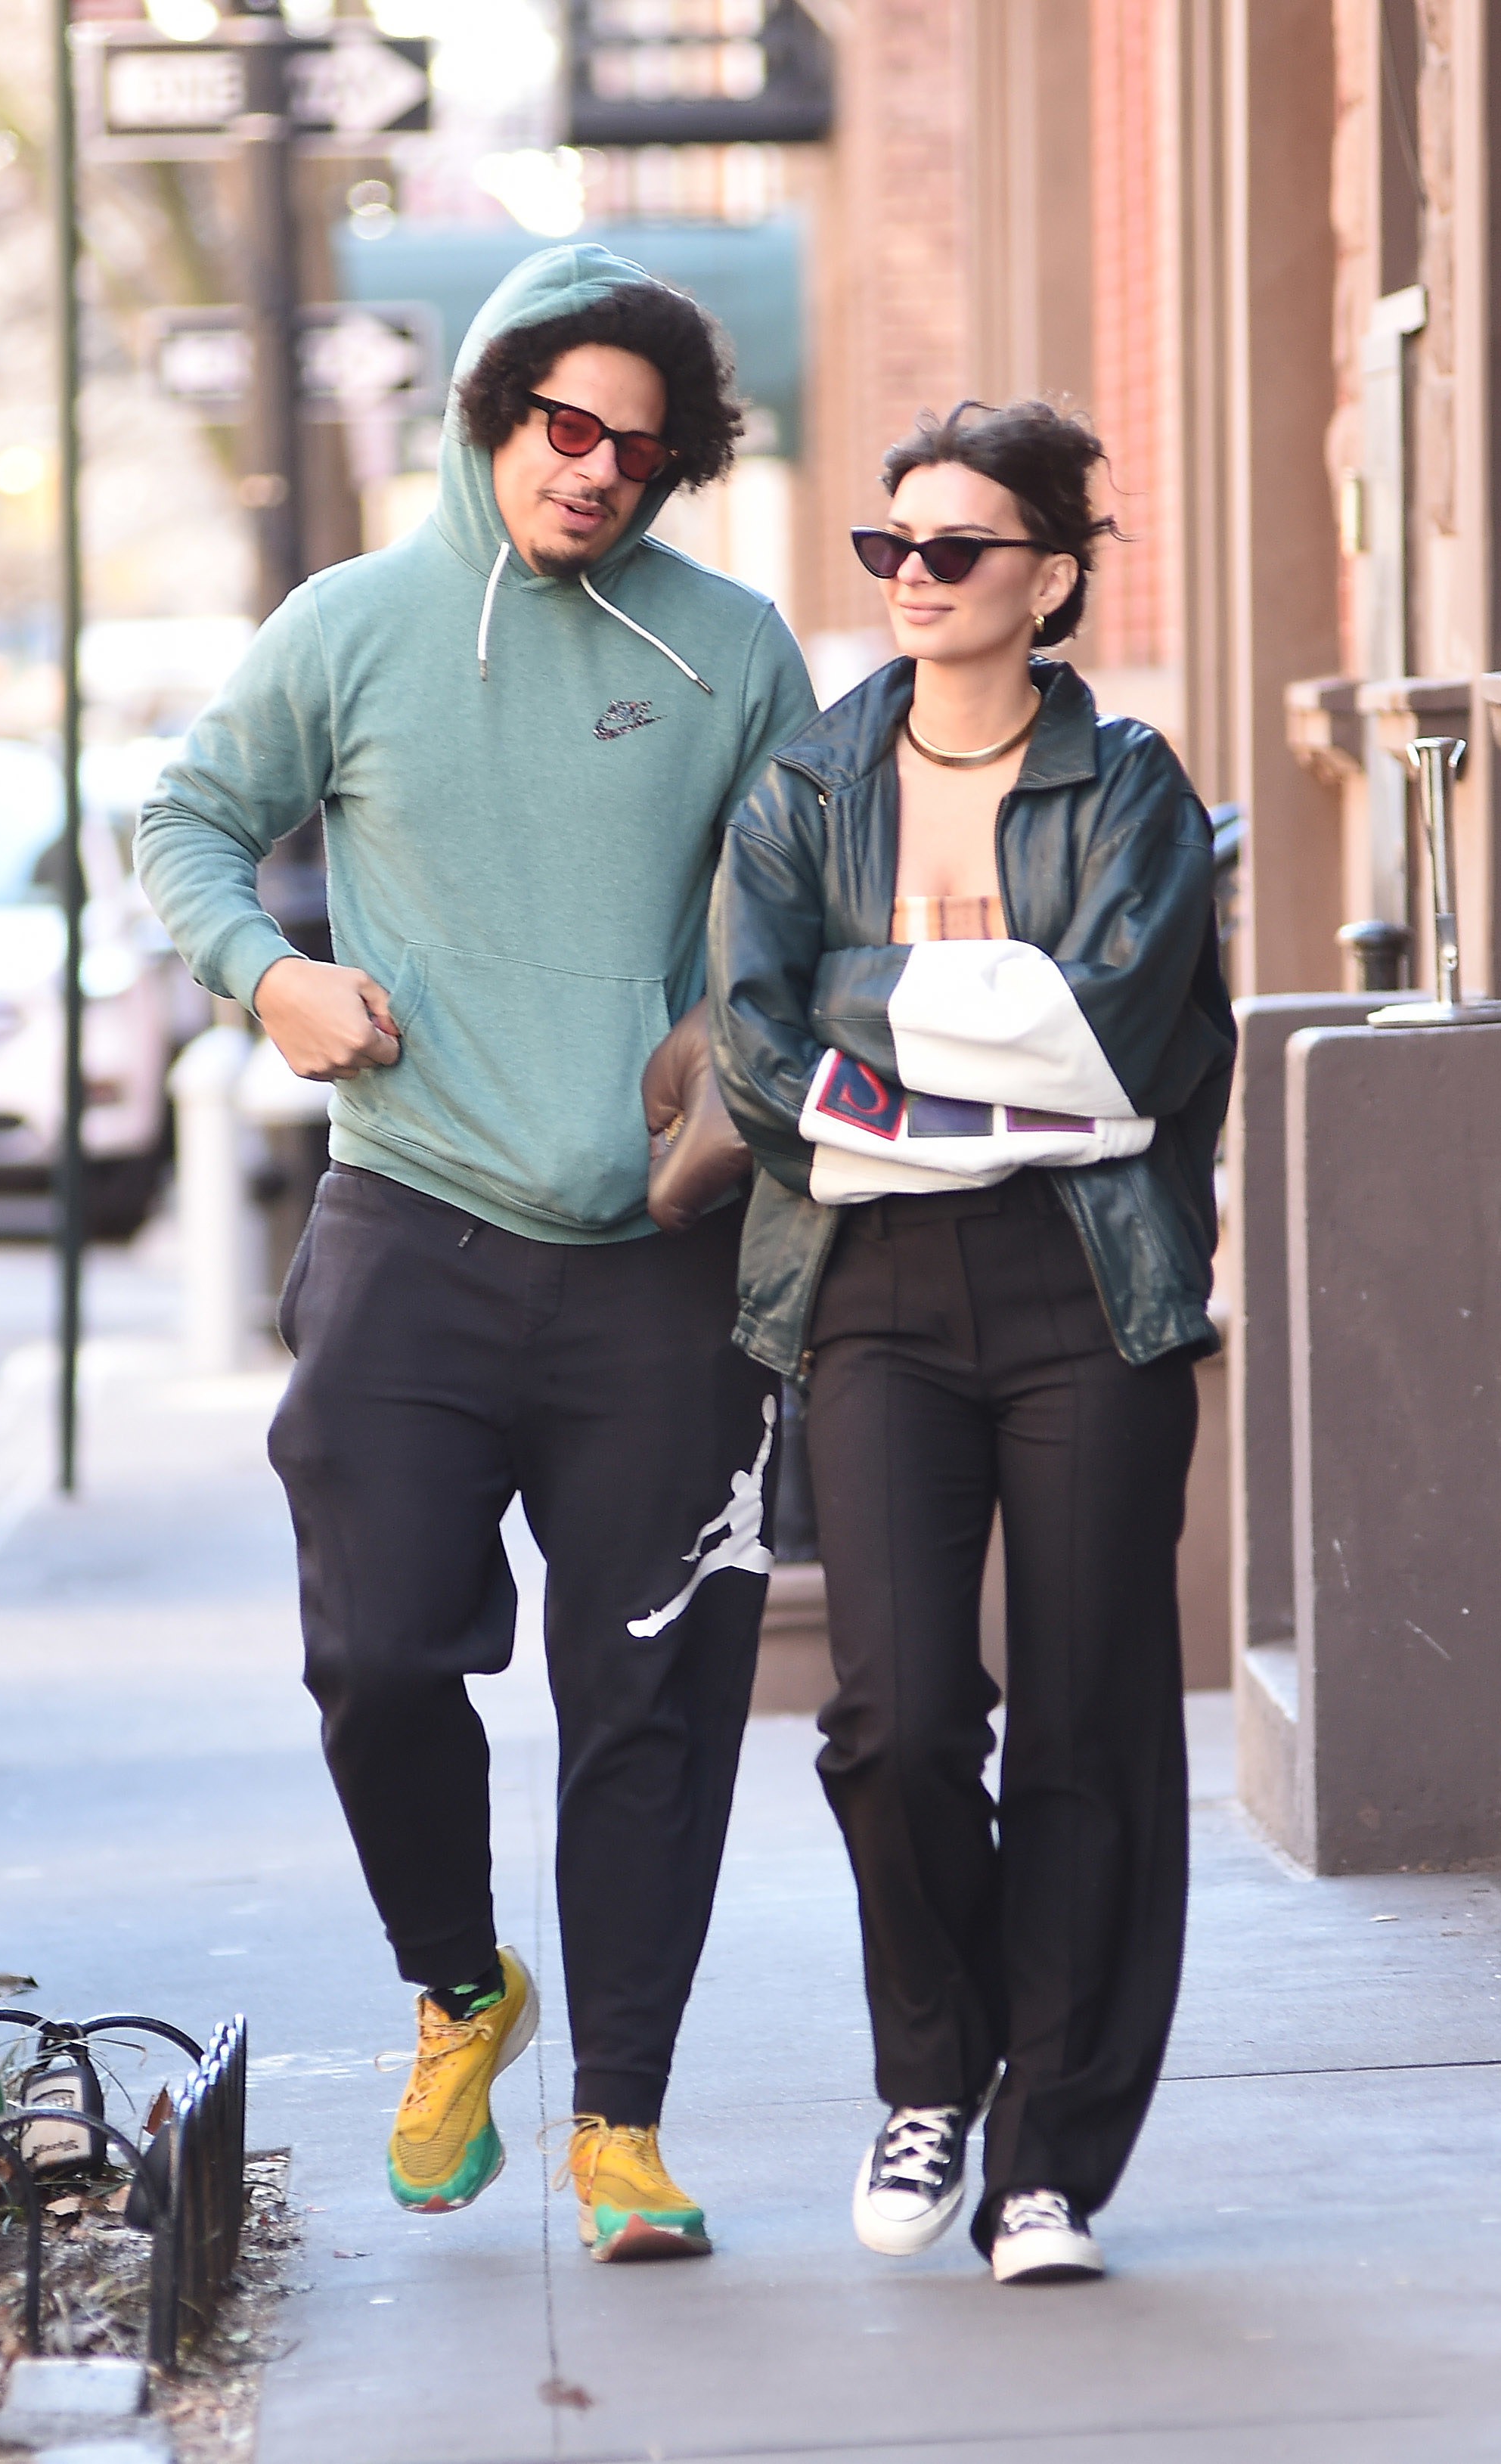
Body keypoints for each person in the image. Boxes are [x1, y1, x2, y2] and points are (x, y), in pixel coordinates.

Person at [135, 244, 815, 2262]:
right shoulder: (352, 626)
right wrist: (272, 976)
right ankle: (458, 1988)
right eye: (563, 423)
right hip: (407, 1230)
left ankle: (621, 2121)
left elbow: (799, 910)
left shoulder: (730, 647)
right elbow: (182, 822)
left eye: (640, 444)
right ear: (494, 413)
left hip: (657, 1267)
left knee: (656, 1705)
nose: (595, 469)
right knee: (376, 1656)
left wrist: (736, 1062)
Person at [709, 399, 1235, 2282]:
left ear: (1053, 579)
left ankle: (1048, 2161)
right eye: (889, 549)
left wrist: (890, 1026)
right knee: (899, 1716)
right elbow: (767, 1059)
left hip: (1083, 1280)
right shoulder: (802, 791)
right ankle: (929, 2074)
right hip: (868, 1295)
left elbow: (1116, 1048)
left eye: (955, 552)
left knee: (1096, 1715)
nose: (911, 582)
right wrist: (982, 1020)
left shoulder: (1137, 785)